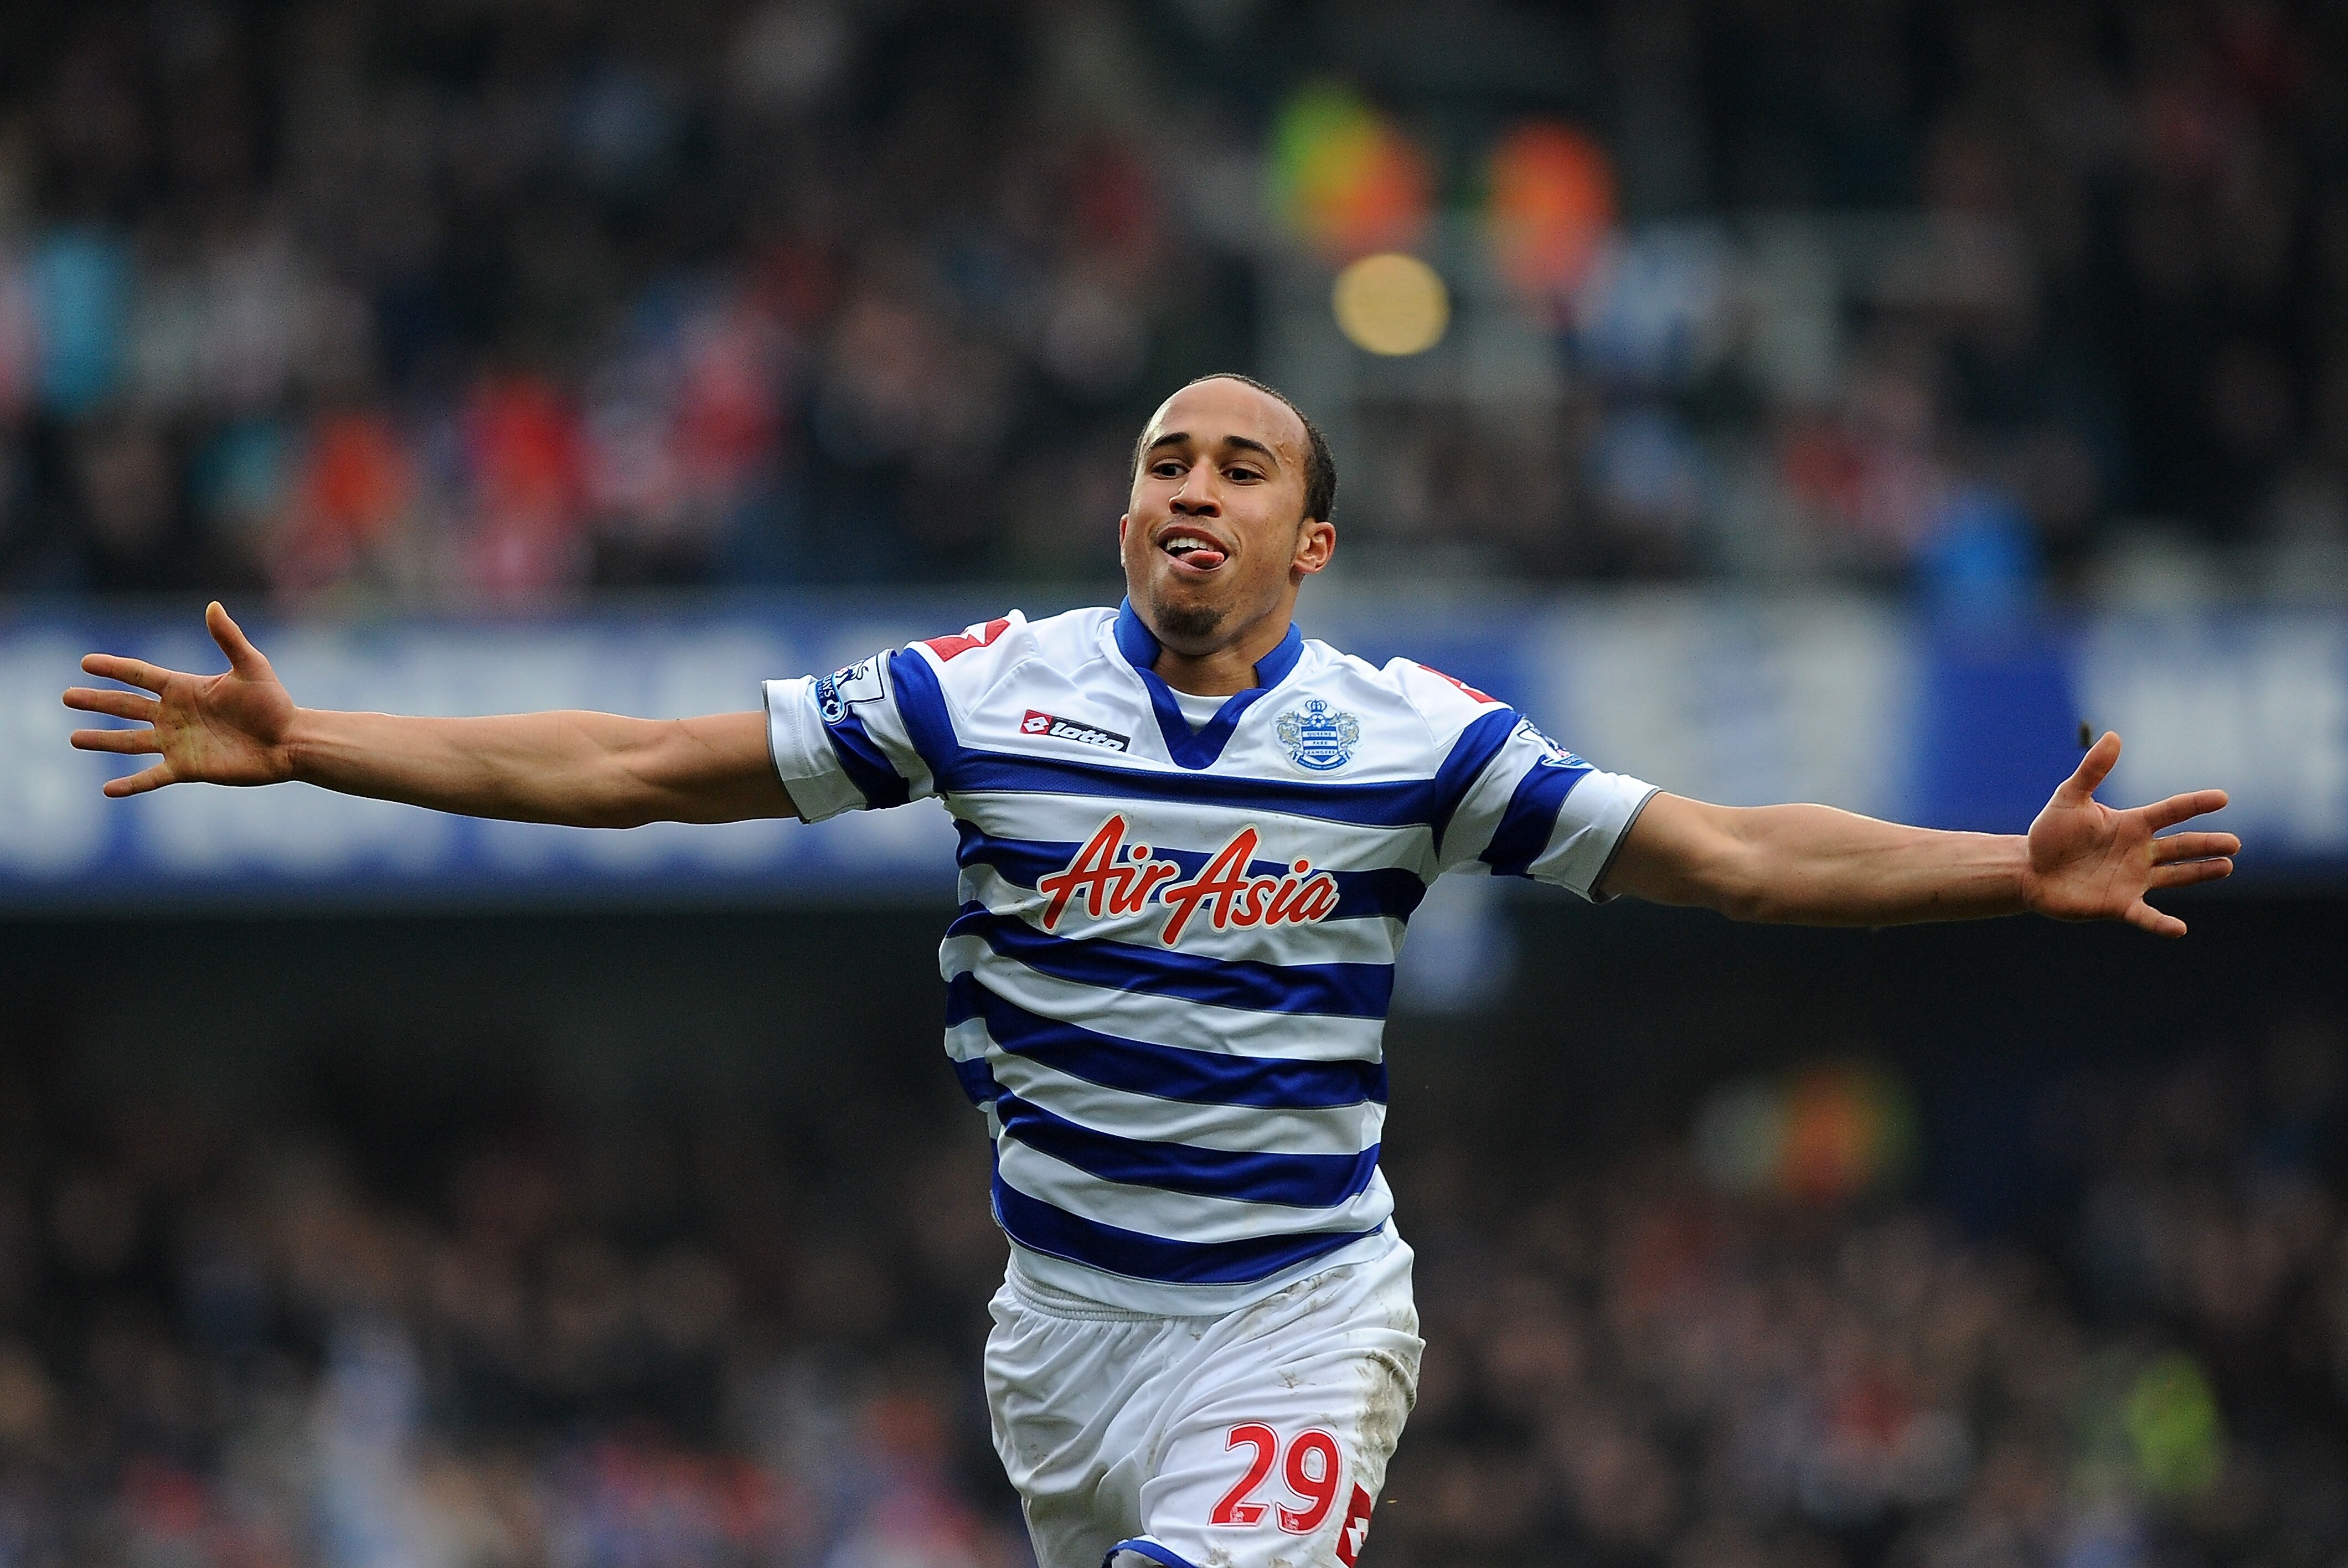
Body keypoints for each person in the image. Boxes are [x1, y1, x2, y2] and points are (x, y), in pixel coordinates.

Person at [63, 373, 2236, 1568]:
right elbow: (640, 763)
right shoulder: (985, 696)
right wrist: (314, 739)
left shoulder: (1404, 741)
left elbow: (1729, 853)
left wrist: (1994, 871)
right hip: (1056, 1349)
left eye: (1240, 465)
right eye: (1158, 461)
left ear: (1309, 543)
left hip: (1293, 1318)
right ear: (1124, 525)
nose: (1189, 485)